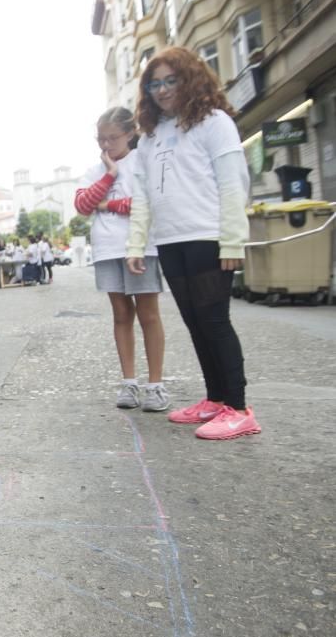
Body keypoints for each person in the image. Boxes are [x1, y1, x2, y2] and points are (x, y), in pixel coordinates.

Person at [126, 46, 260, 440]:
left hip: (208, 236)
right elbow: (143, 196)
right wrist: (137, 244)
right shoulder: (150, 137)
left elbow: (234, 183)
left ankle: (239, 408)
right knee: (194, 322)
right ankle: (216, 399)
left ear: (189, 79)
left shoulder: (214, 122)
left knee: (215, 320)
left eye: (171, 81)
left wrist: (234, 241)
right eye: (155, 84)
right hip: (171, 240)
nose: (163, 90)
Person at [75, 106, 169, 412]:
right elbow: (83, 205)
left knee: (148, 314)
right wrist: (109, 177)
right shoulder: (95, 170)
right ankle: (129, 382)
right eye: (100, 139)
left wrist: (108, 205)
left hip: (141, 246)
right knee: (120, 313)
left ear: (130, 134)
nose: (105, 145)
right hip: (107, 248)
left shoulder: (143, 161)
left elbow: (148, 202)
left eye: (112, 138)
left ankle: (155, 385)